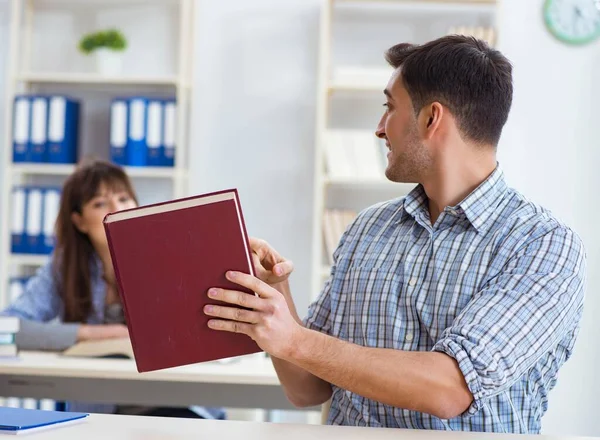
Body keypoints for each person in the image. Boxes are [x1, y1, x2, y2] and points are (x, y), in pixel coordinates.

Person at [201, 35, 586, 433]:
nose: (380, 129)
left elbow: (448, 389)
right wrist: (275, 292)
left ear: (431, 118)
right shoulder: (368, 230)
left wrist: (295, 340)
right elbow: (307, 389)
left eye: (389, 107)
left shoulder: (544, 246)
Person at [3, 158, 225, 419]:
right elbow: (8, 328)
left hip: (178, 403)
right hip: (103, 410)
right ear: (79, 221)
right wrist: (96, 333)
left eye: (123, 198)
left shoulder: (168, 256)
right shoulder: (66, 266)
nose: (116, 209)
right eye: (100, 203)